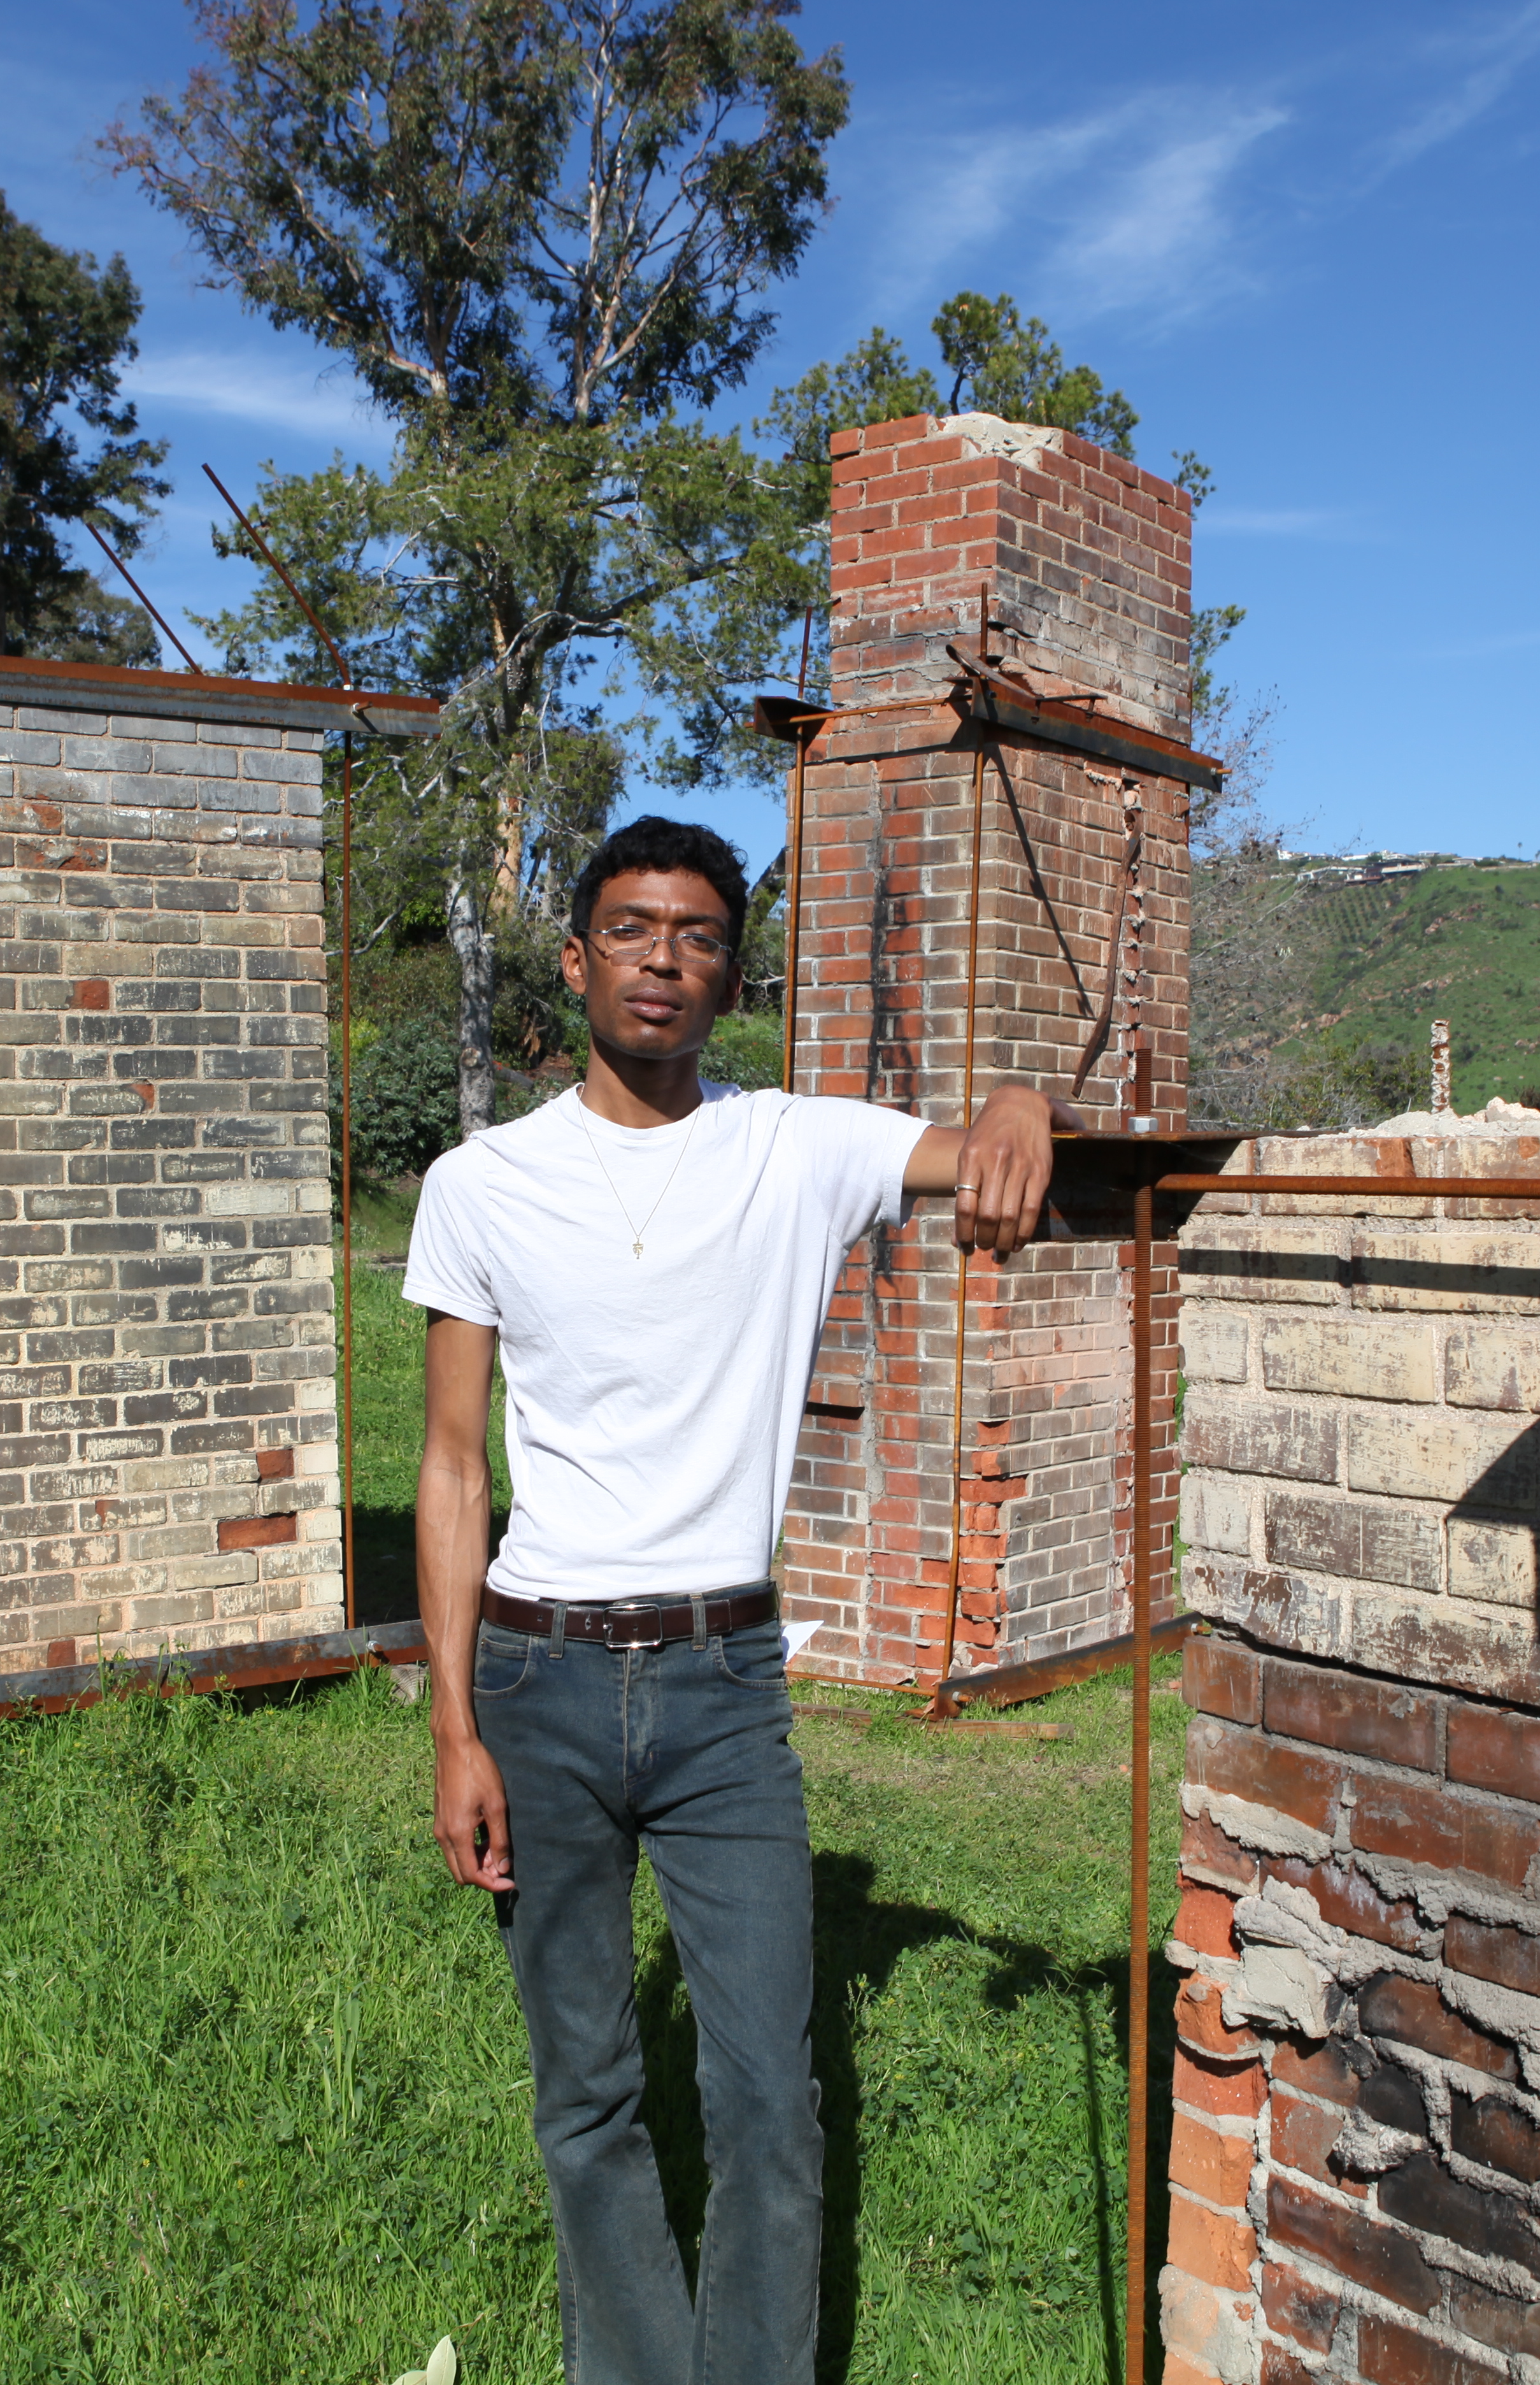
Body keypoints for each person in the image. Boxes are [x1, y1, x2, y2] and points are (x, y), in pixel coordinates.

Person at [401, 815, 1076, 2385]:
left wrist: (1021, 1096)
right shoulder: (480, 1184)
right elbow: (448, 1467)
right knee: (586, 2089)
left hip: (722, 1693)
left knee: (770, 2089)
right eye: (631, 928)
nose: (663, 958)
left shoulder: (796, 1146)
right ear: (576, 961)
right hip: (537, 1680)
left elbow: (972, 1144)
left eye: (697, 935)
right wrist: (452, 1726)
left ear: (731, 974)